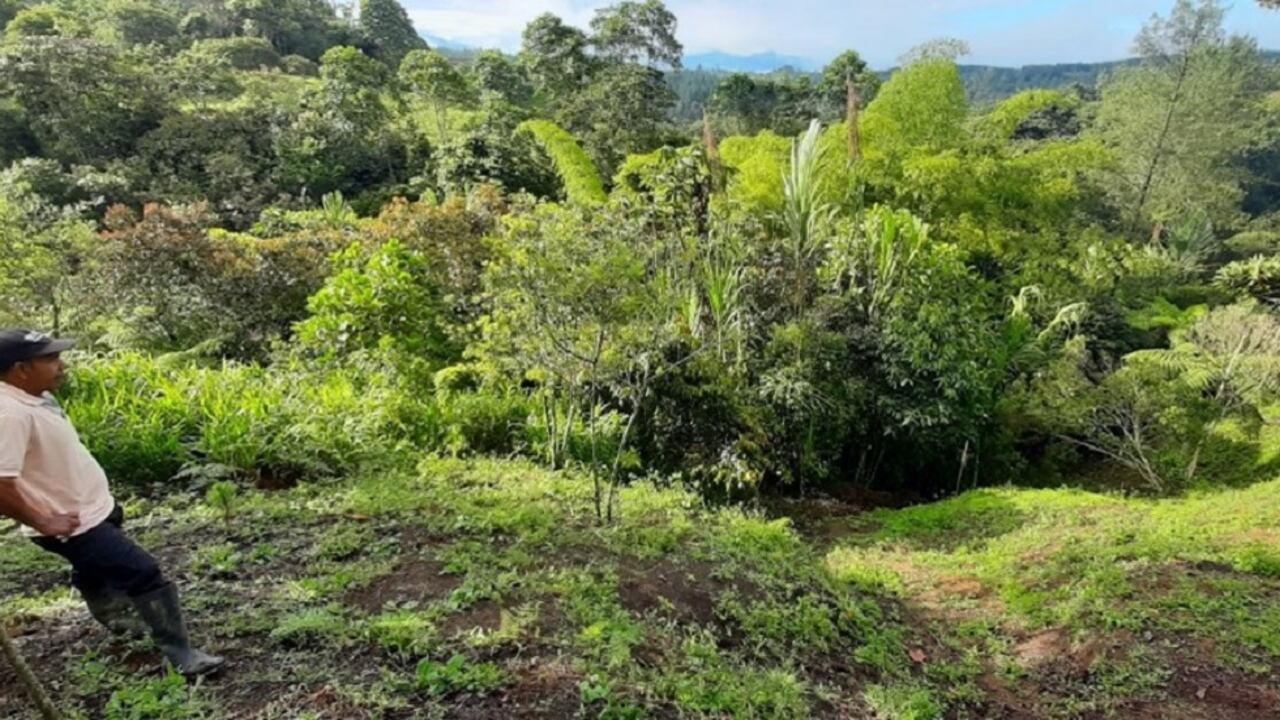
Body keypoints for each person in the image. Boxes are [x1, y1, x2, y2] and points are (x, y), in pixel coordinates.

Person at [0, 329, 224, 676]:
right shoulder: (9, 413)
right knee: (143, 572)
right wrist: (43, 521)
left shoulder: (35, 397)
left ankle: (123, 627)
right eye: (50, 359)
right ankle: (181, 654)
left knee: (98, 570)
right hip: (71, 523)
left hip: (91, 508)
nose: (62, 365)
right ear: (20, 369)